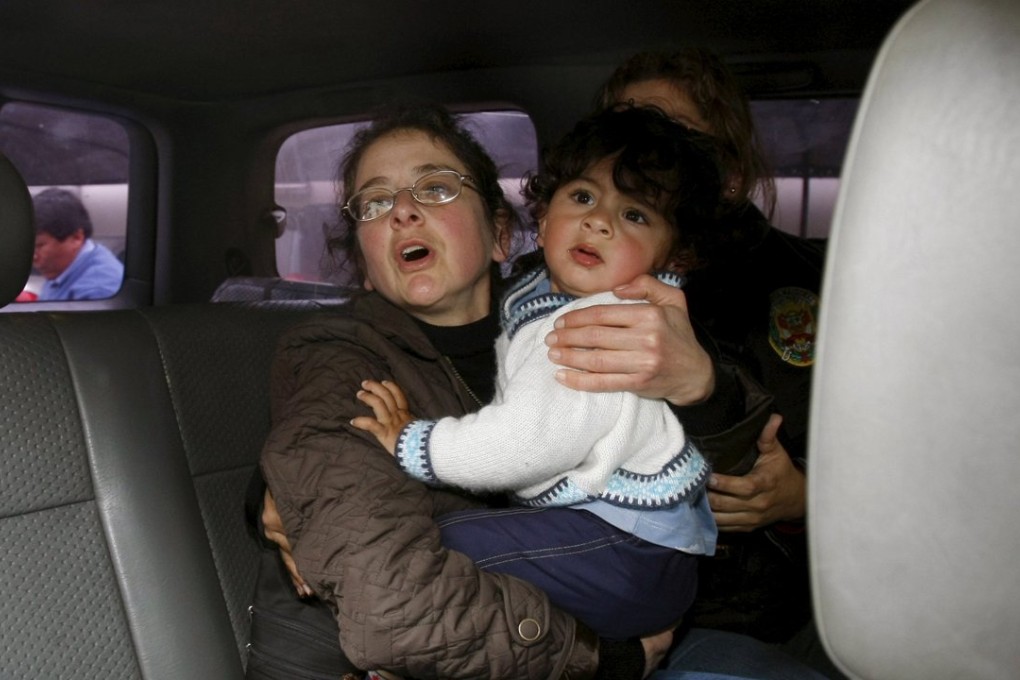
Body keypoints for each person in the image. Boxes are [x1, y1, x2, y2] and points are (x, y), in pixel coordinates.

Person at [249, 103, 777, 680]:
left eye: (436, 188)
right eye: (375, 203)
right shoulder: (337, 355)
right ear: (367, 263)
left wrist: (701, 386)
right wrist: (608, 662)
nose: (402, 211)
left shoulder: (568, 308)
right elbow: (391, 597)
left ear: (502, 234)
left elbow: (737, 463)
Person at [350, 106, 722, 642]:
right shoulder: (546, 301)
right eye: (583, 197)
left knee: (437, 544)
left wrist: (412, 443)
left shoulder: (590, 327)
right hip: (633, 549)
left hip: (630, 555)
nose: (600, 221)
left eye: (635, 215)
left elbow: (523, 444)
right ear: (543, 221)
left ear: (674, 257)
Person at [595, 48, 834, 676]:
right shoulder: (569, 271)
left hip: (748, 608)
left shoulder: (808, 284)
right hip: (591, 589)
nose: (639, 155)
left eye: (669, 137)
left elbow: (893, 455)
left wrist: (804, 496)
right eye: (623, 133)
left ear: (727, 173)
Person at [31, 187, 123, 301]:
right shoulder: (63, 268)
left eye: (39, 246)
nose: (33, 257)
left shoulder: (97, 292)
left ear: (76, 237)